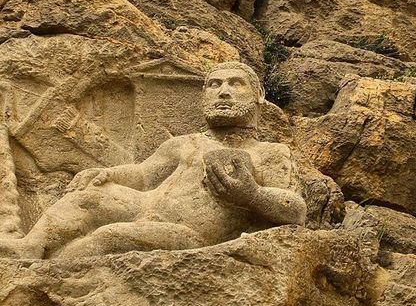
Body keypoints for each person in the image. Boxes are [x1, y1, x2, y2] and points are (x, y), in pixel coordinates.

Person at [0, 61, 306, 259]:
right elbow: (144, 175)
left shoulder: (270, 153)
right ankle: (30, 247)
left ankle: (49, 268)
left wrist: (252, 195)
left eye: (235, 84)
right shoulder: (185, 143)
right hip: (142, 206)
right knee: (87, 200)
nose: (223, 92)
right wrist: (108, 174)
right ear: (203, 98)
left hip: (188, 234)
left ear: (257, 97)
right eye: (215, 85)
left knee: (112, 235)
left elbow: (295, 210)